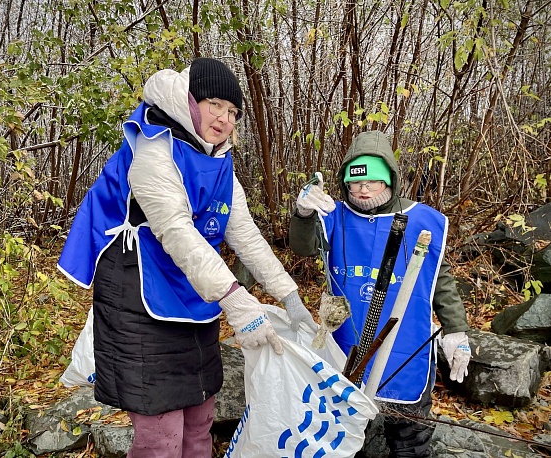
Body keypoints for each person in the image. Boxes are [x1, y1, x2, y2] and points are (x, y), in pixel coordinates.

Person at [57, 57, 317, 458]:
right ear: (191, 100)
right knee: (160, 438)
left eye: (233, 113)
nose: (225, 119)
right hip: (141, 297)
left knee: (199, 425)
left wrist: (289, 295)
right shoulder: (153, 145)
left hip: (195, 296)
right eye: (216, 105)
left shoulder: (218, 160)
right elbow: (176, 231)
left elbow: (244, 232)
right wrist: (237, 301)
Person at [289, 130, 471, 458]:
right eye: (355, 182)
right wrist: (303, 214)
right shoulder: (333, 216)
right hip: (346, 342)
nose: (363, 189)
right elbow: (302, 246)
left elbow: (439, 281)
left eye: (372, 181)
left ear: (389, 179)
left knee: (410, 435)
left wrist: (456, 330)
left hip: (405, 343)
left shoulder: (421, 220)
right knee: (343, 429)